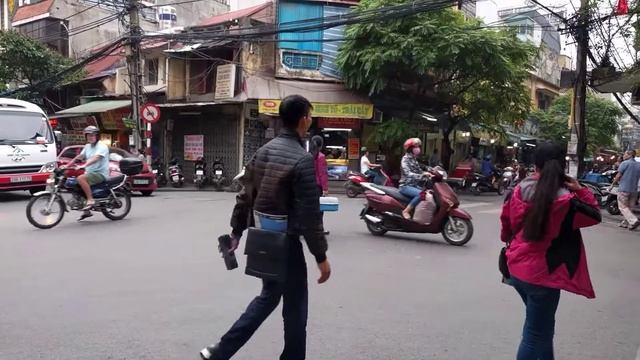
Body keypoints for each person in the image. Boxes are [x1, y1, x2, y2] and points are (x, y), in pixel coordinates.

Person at [200, 95, 331, 360]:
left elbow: (246, 195)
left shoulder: (264, 151)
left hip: (263, 239)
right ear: (304, 119)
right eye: (310, 116)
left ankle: (220, 351)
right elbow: (310, 215)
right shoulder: (302, 159)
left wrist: (237, 232)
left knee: (270, 297)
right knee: (294, 306)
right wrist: (321, 257)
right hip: (287, 244)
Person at [500, 143, 601, 360]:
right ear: (561, 165)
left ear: (535, 164)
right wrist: (581, 189)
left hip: (517, 268)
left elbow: (506, 225)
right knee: (536, 333)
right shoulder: (567, 198)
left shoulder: (519, 189)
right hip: (544, 276)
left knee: (543, 328)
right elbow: (593, 215)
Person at [67, 126, 110, 220]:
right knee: (74, 183)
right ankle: (86, 211)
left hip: (100, 174)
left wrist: (84, 165)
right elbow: (80, 156)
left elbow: (96, 158)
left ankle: (90, 200)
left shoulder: (102, 146)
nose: (90, 137)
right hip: (90, 173)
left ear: (97, 136)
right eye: (88, 136)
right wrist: (67, 165)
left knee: (81, 178)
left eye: (92, 135)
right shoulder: (87, 146)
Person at [399, 138, 431, 220]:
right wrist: (422, 176)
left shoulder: (414, 159)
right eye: (415, 147)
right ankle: (406, 211)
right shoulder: (405, 159)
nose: (417, 148)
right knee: (421, 194)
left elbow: (419, 171)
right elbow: (408, 173)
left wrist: (428, 173)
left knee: (429, 193)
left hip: (414, 185)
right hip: (405, 186)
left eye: (418, 146)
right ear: (410, 149)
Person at [611, 150, 640, 229]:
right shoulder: (638, 165)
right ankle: (625, 223)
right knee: (629, 208)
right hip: (634, 190)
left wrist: (612, 185)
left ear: (629, 155)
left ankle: (633, 221)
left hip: (624, 188)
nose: (623, 156)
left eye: (625, 154)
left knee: (623, 207)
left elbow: (618, 175)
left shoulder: (625, 163)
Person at [310, 135, 330, 236]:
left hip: (307, 184)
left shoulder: (307, 155)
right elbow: (322, 174)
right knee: (319, 209)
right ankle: (319, 228)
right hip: (317, 187)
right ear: (321, 145)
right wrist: (325, 188)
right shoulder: (320, 156)